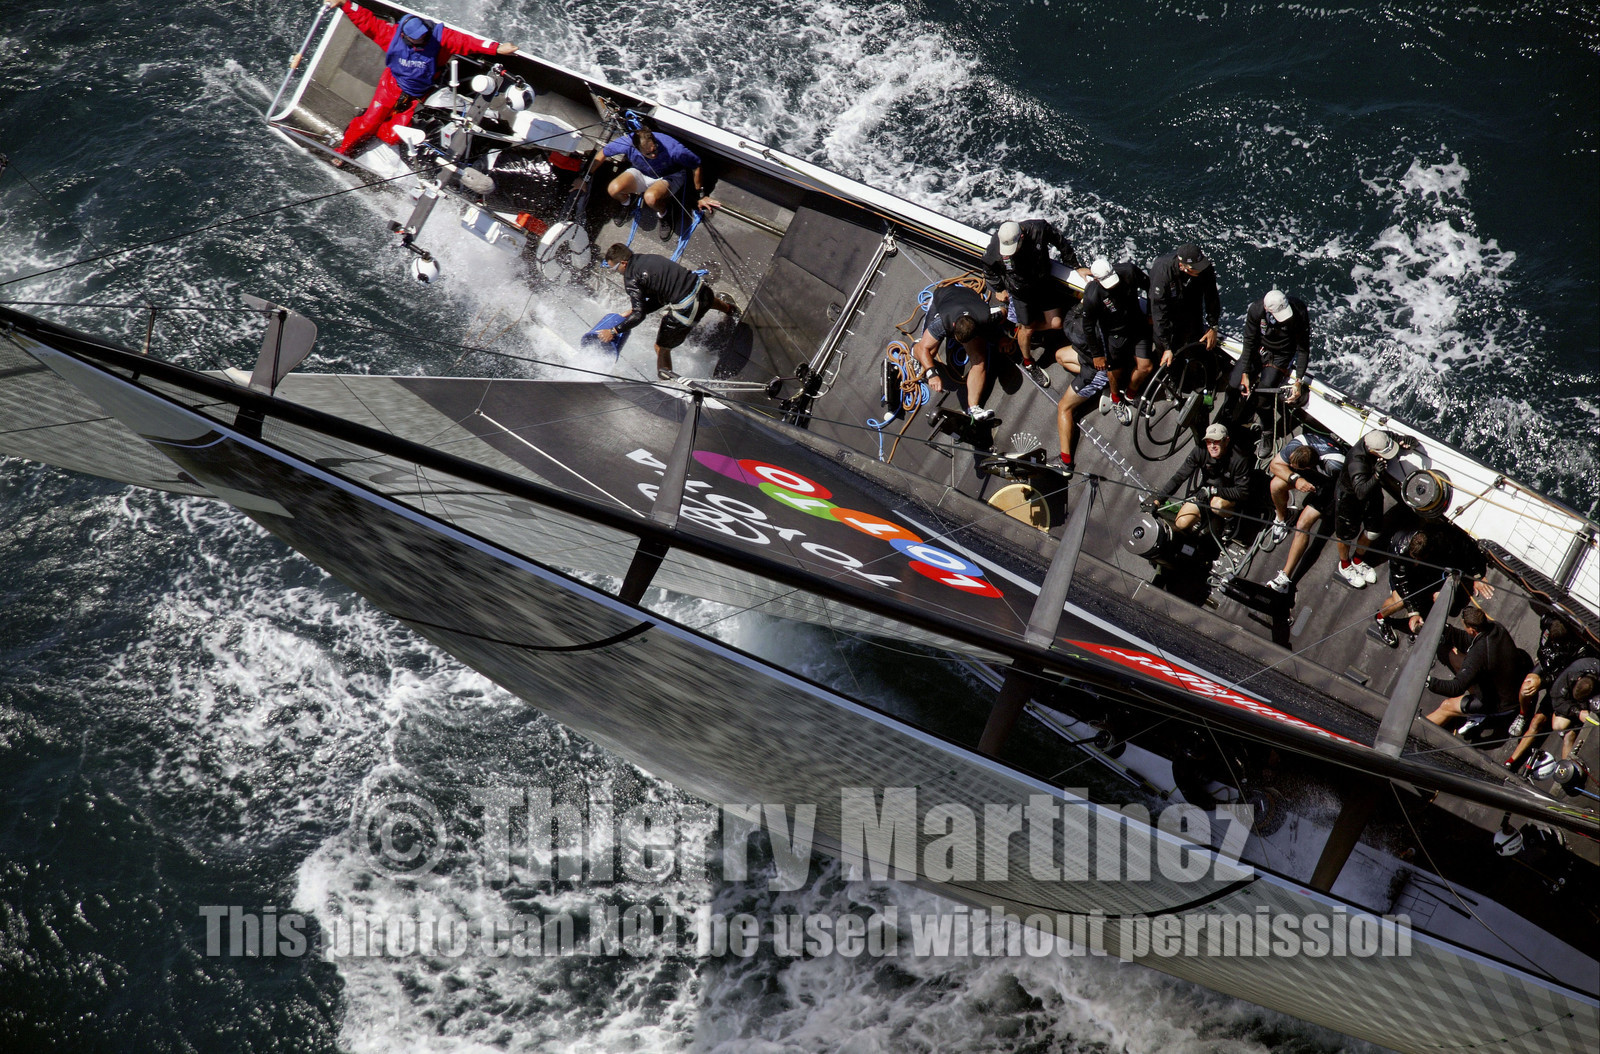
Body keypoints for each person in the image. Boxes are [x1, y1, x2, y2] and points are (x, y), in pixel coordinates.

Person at [326, 1, 519, 163]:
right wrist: (344, 3)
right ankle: (344, 152)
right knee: (367, 124)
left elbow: (468, 42)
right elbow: (365, 20)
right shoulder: (389, 34)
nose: (423, 39)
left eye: (424, 35)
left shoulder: (441, 38)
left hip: (418, 94)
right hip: (391, 87)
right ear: (405, 36)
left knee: (392, 136)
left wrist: (497, 48)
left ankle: (382, 123)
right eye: (418, 38)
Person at [595, 244, 737, 378]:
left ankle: (668, 382)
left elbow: (639, 316)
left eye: (615, 269)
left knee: (661, 347)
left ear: (624, 264)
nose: (616, 272)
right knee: (702, 298)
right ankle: (732, 310)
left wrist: (613, 331)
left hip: (689, 307)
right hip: (703, 290)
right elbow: (661, 298)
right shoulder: (649, 258)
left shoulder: (631, 279)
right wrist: (634, 310)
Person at [981, 219, 1082, 386]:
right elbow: (988, 267)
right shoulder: (995, 247)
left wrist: (1074, 265)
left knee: (1056, 323)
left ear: (1021, 236)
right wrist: (999, 288)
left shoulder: (1038, 228)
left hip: (1043, 285)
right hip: (1020, 292)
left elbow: (1060, 242)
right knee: (1026, 331)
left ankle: (1027, 326)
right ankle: (1028, 362)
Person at [1367, 520, 1494, 648]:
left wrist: (1476, 576)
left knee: (1442, 598)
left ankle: (1425, 621)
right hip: (1406, 574)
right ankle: (1380, 617)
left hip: (1433, 569)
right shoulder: (1399, 550)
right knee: (1400, 601)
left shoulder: (1440, 536)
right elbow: (1400, 580)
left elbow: (1466, 546)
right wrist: (1412, 611)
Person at [586, 125, 715, 239]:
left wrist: (701, 196)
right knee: (613, 189)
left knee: (651, 198)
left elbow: (696, 165)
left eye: (655, 150)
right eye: (648, 154)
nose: (653, 155)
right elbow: (603, 153)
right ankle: (626, 203)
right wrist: (585, 177)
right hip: (642, 172)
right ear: (636, 147)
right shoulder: (627, 142)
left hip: (669, 176)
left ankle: (664, 213)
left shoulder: (673, 148)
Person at [1263, 432, 1345, 592]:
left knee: (1302, 524)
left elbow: (1345, 487)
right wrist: (1296, 479)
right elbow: (1274, 465)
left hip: (1331, 486)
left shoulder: (1334, 465)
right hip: (1310, 475)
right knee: (1275, 485)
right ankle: (1283, 517)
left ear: (1307, 467)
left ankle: (1285, 578)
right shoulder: (1297, 445)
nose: (1290, 466)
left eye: (1294, 467)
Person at [909, 283, 1002, 422]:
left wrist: (1003, 339)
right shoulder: (943, 321)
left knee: (979, 360)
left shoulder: (985, 316)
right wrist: (932, 373)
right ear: (953, 327)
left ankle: (974, 408)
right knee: (928, 351)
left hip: (967, 300)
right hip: (944, 298)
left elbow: (1003, 312)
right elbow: (923, 349)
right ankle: (913, 352)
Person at [1422, 607, 1527, 728]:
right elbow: (1470, 641)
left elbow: (1455, 688)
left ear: (1472, 630)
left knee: (1447, 706)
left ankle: (1411, 734)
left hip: (1502, 703)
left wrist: (1427, 681)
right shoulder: (1496, 627)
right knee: (1454, 657)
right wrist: (1447, 630)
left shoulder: (1477, 655)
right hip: (1508, 680)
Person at [1078, 258, 1153, 426]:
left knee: (1146, 367)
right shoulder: (1092, 295)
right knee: (1114, 372)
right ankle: (1115, 398)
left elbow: (1149, 286)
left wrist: (1150, 313)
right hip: (1114, 336)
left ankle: (1131, 394)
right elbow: (1088, 327)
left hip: (1137, 325)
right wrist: (1097, 355)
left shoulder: (1129, 271)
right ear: (1096, 280)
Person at [1224, 289, 1310, 430]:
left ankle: (1268, 431)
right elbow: (1249, 341)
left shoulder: (1299, 312)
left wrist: (1298, 381)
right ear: (1266, 309)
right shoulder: (1256, 310)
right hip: (1260, 348)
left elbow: (1303, 350)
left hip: (1281, 354)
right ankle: (1226, 416)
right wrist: (1245, 373)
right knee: (1234, 383)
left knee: (1263, 398)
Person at [1148, 242, 1221, 399]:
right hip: (1168, 315)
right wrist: (1167, 346)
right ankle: (1174, 381)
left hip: (1191, 311)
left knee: (1198, 345)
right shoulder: (1163, 272)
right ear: (1183, 266)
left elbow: (1212, 298)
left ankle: (1203, 379)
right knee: (1168, 355)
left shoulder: (1204, 268)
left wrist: (1213, 326)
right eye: (1196, 267)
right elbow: (1158, 312)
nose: (1200, 269)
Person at [1150, 422, 1252, 534]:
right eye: (1209, 441)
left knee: (1217, 505)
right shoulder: (1200, 451)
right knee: (1181, 523)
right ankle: (1205, 517)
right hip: (1205, 494)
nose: (1212, 446)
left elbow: (1243, 492)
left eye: (1216, 441)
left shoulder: (1239, 459)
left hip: (1228, 497)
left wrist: (1213, 491)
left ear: (1226, 440)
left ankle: (1231, 517)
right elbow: (1179, 477)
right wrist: (1158, 501)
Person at [1505, 656, 1599, 772]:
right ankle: (1510, 761)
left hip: (1585, 699)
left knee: (1569, 735)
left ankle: (1566, 771)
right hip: (1562, 697)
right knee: (1538, 722)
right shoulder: (1564, 681)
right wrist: (1577, 712)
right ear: (1577, 679)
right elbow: (1558, 702)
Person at [1331, 429, 1399, 588]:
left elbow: (1389, 435)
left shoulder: (1374, 437)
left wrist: (1404, 440)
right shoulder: (1357, 462)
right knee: (1345, 535)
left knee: (1374, 531)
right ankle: (1345, 564)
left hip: (1372, 491)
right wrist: (1376, 476)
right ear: (1372, 450)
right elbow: (1360, 492)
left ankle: (1357, 559)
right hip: (1350, 498)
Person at [1509, 613, 1592, 739]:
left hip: (1559, 678)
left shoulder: (1579, 649)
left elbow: (1570, 672)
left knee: (1537, 721)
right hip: (1544, 664)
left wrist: (1543, 681)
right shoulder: (1547, 621)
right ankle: (1522, 715)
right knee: (1525, 688)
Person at [1051, 302, 1112, 473]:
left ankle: (1065, 462)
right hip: (1092, 358)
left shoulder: (1075, 328)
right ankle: (1106, 380)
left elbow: (1070, 317)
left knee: (1064, 408)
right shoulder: (1109, 320)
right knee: (1060, 356)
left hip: (1097, 369)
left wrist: (1082, 303)